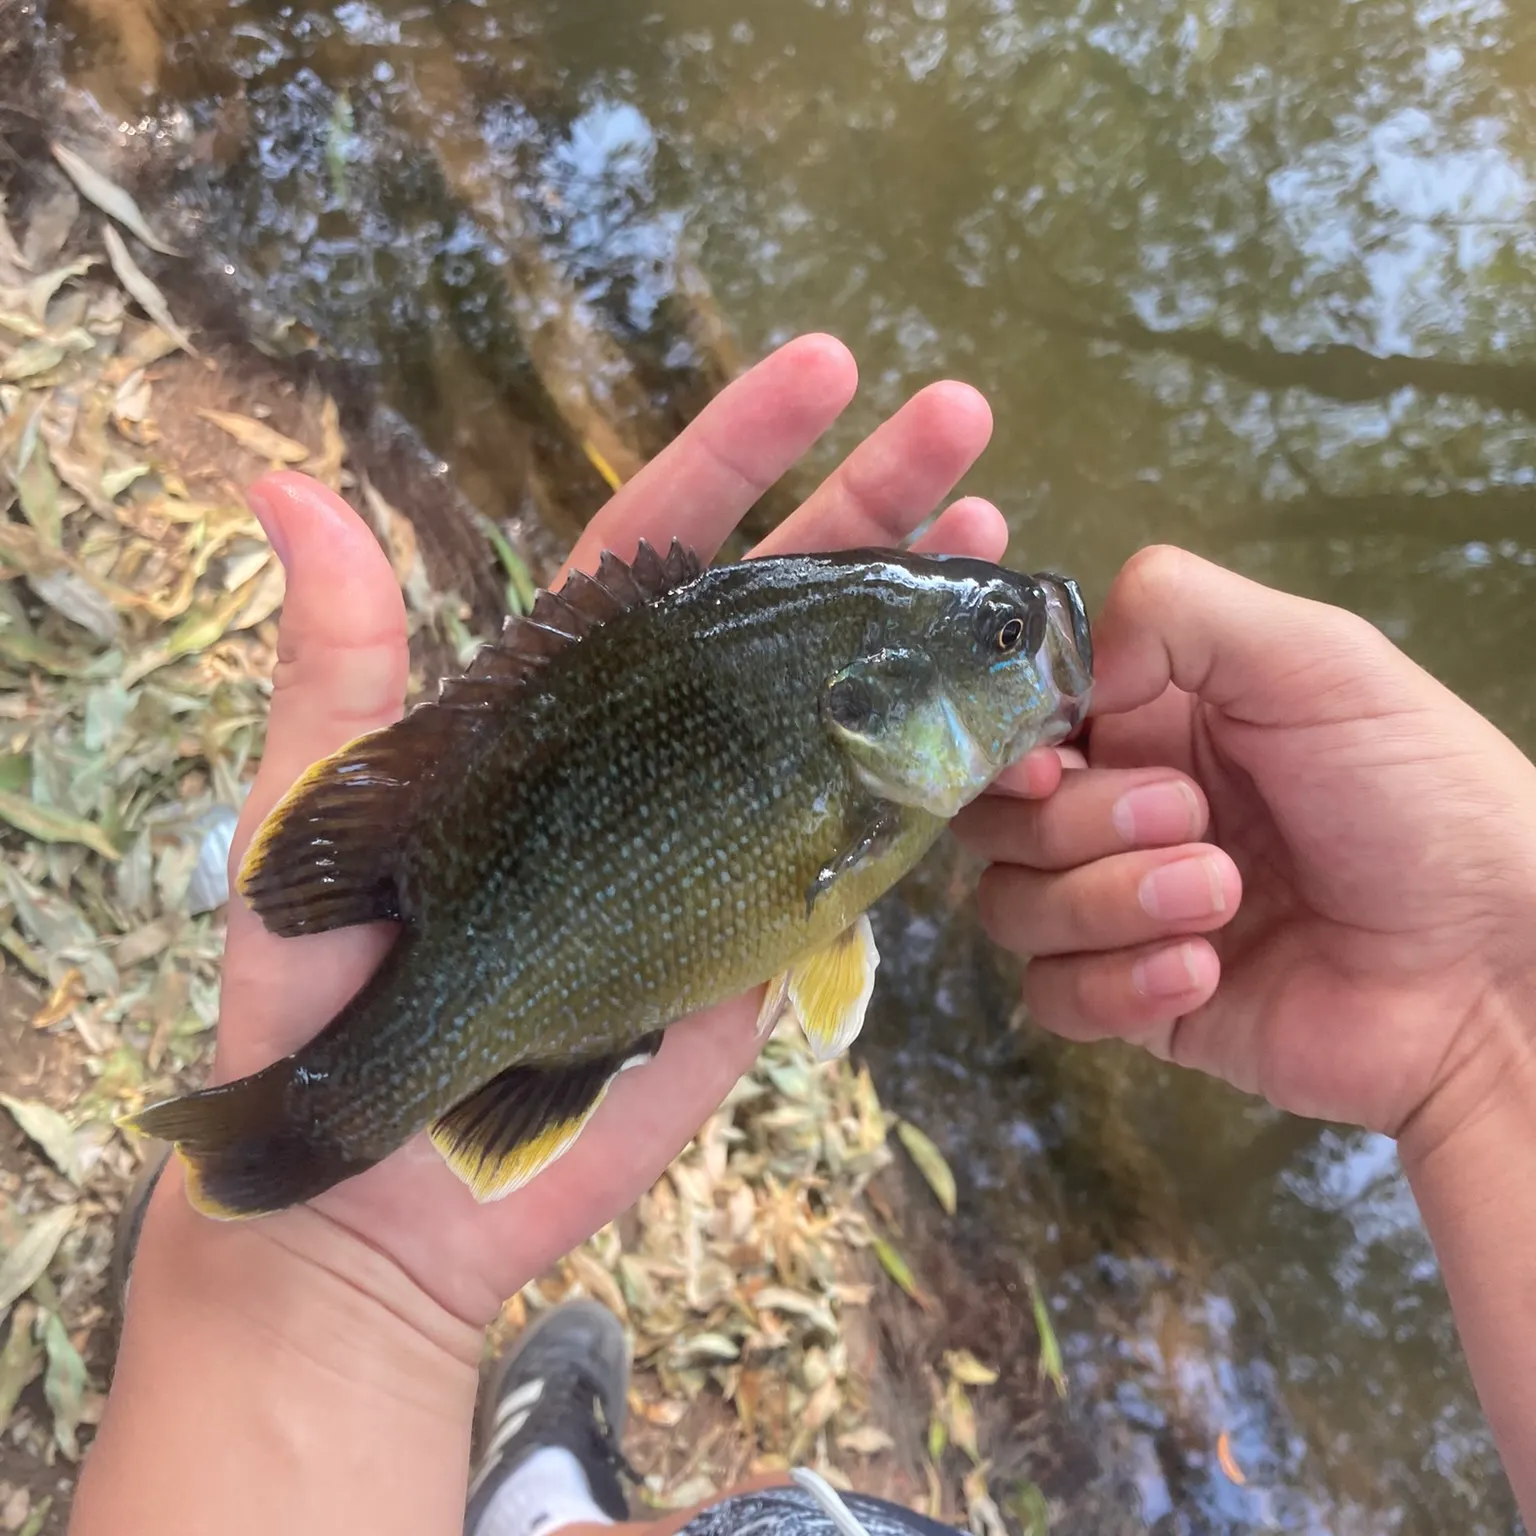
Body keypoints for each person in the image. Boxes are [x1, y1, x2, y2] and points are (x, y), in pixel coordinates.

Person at [69, 334, 1536, 1536]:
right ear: (875, 707)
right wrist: (1490, 1010)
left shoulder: (867, 763)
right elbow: (808, 910)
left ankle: (535, 1498)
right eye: (1004, 646)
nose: (1050, 642)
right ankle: (542, 1500)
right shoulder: (860, 784)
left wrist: (1490, 1013)